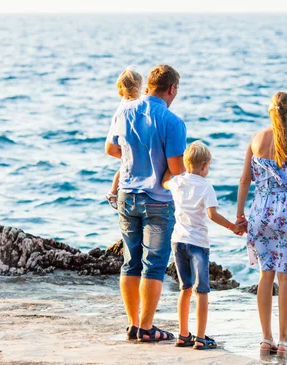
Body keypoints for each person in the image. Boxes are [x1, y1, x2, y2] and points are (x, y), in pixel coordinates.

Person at [105, 64, 186, 342]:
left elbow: (113, 148)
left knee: (130, 261)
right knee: (153, 264)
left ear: (149, 85)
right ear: (172, 89)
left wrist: (134, 160)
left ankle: (132, 323)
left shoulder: (125, 110)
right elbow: (176, 167)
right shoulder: (173, 122)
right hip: (157, 201)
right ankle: (147, 328)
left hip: (127, 195)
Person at [236, 91, 287, 358]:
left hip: (260, 211)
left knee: (265, 275)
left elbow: (245, 181)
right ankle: (283, 341)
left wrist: (240, 215)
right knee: (286, 279)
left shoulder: (256, 139)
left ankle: (265, 338)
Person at [162, 141, 246, 350]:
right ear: (205, 165)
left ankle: (183, 335)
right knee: (202, 291)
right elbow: (212, 214)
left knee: (185, 288)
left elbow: (165, 181)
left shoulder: (178, 182)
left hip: (178, 241)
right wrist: (232, 227)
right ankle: (200, 338)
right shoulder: (206, 187)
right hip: (198, 243)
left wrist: (166, 163)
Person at [105, 67, 143, 209]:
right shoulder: (139, 106)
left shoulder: (121, 109)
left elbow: (110, 148)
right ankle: (112, 192)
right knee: (123, 167)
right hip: (135, 151)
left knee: (123, 167)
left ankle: (113, 192)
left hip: (127, 149)